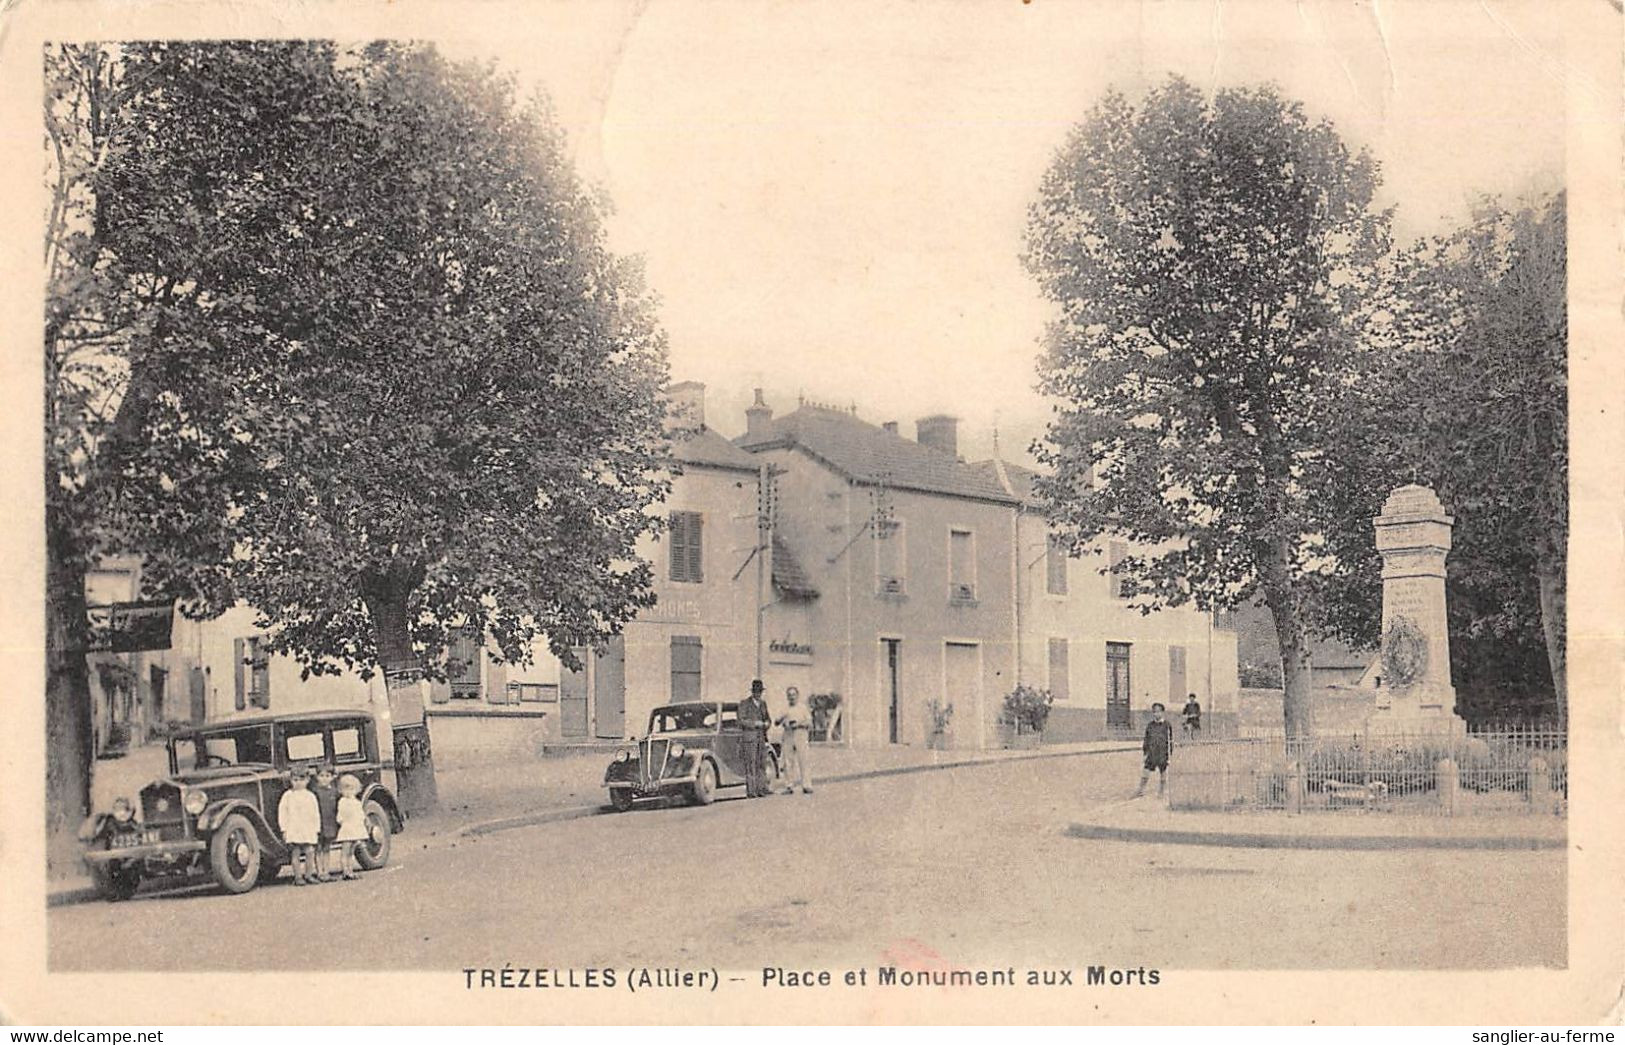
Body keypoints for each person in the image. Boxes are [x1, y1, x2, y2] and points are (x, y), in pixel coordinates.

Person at [277, 767, 321, 885]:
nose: (298, 783)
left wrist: (316, 828)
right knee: (295, 853)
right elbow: (283, 813)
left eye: (301, 780)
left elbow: (315, 813)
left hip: (307, 829)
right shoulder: (288, 796)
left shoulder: (311, 796)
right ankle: (298, 877)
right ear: (291, 781)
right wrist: (284, 829)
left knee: (310, 851)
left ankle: (309, 875)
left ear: (307, 780)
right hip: (294, 828)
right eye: (295, 780)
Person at [775, 686, 814, 795]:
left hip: (801, 734)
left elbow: (810, 723)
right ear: (787, 697)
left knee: (804, 760)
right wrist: (783, 722)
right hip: (788, 734)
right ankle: (788, 786)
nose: (791, 697)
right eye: (789, 695)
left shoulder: (803, 708)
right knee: (788, 761)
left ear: (797, 696)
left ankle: (807, 785)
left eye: (793, 695)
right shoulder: (785, 709)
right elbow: (777, 721)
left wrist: (799, 724)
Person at [738, 679, 771, 798]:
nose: (758, 694)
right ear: (752, 692)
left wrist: (767, 724)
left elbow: (768, 718)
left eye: (760, 691)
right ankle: (751, 791)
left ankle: (761, 789)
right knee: (751, 764)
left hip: (761, 738)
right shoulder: (744, 704)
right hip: (750, 738)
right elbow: (741, 720)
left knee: (761, 763)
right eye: (756, 691)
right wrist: (755, 724)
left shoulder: (763, 704)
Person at [1135, 702, 1175, 797]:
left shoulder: (1167, 725)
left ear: (1162, 712)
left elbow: (1170, 741)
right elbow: (1146, 739)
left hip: (1162, 753)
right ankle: (1140, 790)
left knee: (1163, 772)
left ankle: (1161, 791)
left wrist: (1170, 755)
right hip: (1152, 752)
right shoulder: (1150, 725)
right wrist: (1145, 752)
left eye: (1158, 712)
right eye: (1154, 712)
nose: (1156, 714)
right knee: (1146, 771)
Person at [334, 774, 368, 880]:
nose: (348, 792)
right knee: (345, 851)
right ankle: (345, 871)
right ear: (341, 790)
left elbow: (361, 815)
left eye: (351, 788)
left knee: (351, 852)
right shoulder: (343, 802)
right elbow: (340, 817)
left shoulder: (357, 802)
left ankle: (350, 870)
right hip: (347, 828)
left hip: (355, 828)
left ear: (356, 789)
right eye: (346, 788)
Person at [311, 765, 339, 882]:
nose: (324, 779)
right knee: (318, 848)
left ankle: (326, 871)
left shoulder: (334, 792)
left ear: (332, 777)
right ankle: (319, 872)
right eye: (321, 776)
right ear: (317, 777)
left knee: (327, 848)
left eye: (327, 776)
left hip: (330, 822)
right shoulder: (314, 792)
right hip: (318, 823)